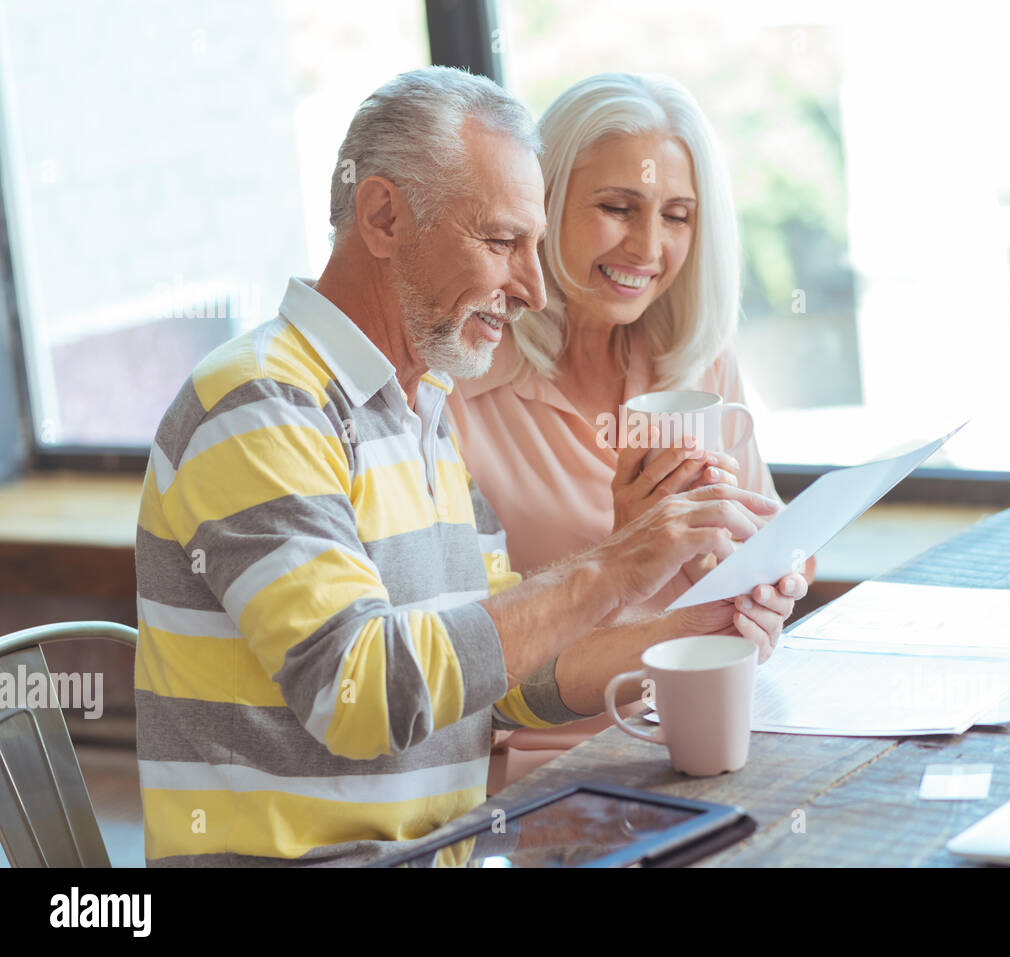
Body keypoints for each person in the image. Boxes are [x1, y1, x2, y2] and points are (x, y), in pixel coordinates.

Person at [133, 66, 807, 866]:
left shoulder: (417, 410)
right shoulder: (258, 402)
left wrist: (692, 626)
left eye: (535, 245)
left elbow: (511, 682)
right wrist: (613, 566)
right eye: (500, 242)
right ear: (383, 215)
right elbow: (363, 692)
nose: (530, 286)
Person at [445, 73, 815, 791]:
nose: (648, 247)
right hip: (544, 772)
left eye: (678, 216)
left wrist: (769, 589)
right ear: (542, 204)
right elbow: (466, 662)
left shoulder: (699, 364)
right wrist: (626, 558)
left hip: (709, 737)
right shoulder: (462, 383)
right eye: (618, 208)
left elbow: (771, 549)